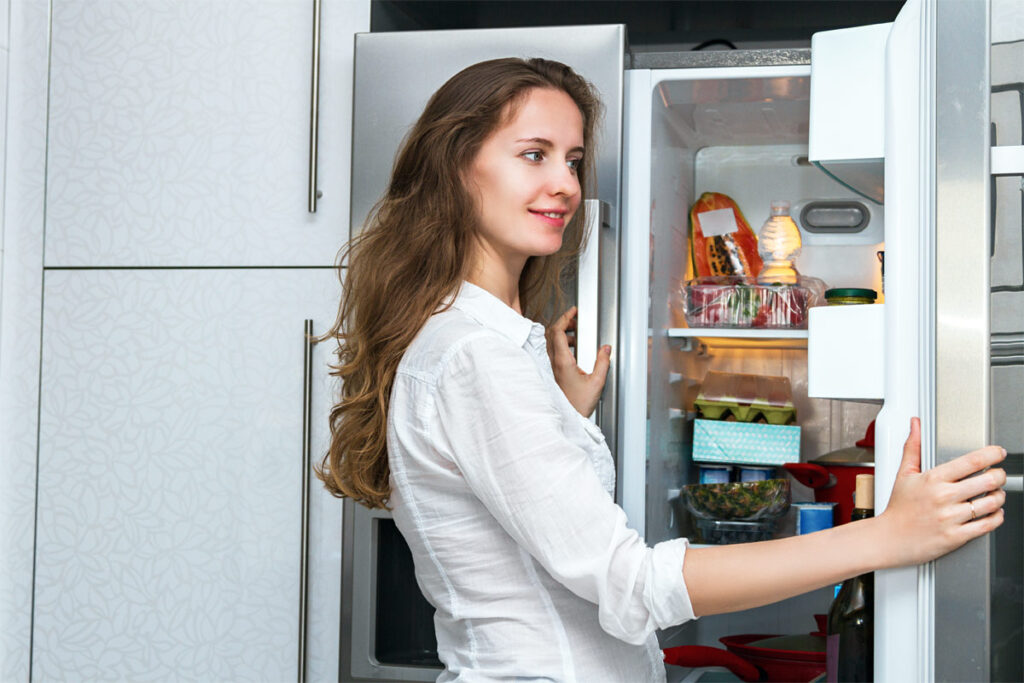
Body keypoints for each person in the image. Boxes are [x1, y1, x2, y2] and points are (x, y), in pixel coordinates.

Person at [317, 57, 1007, 681]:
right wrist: (883, 537)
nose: (564, 184)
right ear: (455, 166)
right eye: (534, 155)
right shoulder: (474, 355)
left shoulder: (486, 345)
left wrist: (566, 413)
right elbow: (630, 583)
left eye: (573, 159)